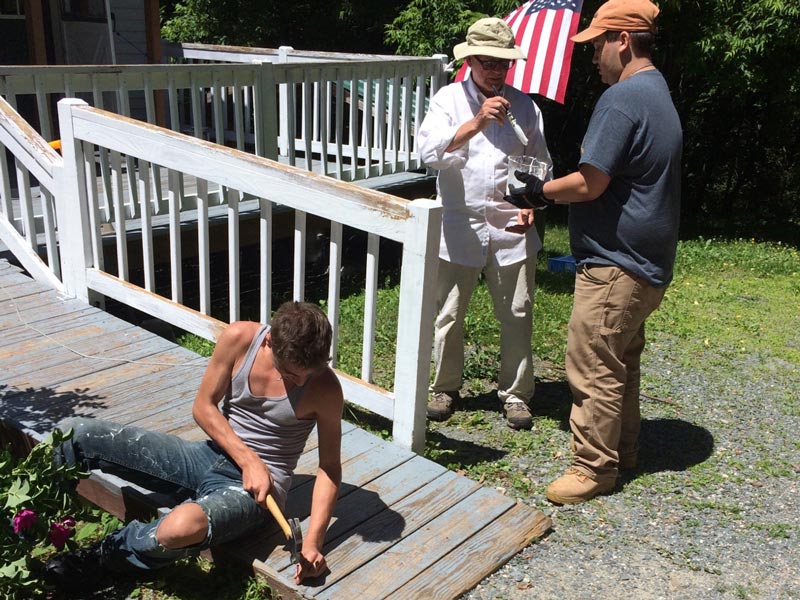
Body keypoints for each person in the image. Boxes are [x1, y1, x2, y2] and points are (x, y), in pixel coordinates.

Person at [506, 0, 682, 503]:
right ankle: (622, 450)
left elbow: (590, 182)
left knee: (592, 363)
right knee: (620, 358)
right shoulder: (657, 91)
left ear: (622, 40)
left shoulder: (623, 100)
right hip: (647, 262)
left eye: (598, 44)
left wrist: (537, 192)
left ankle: (592, 469)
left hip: (616, 263)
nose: (593, 57)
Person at [46, 301, 344, 589]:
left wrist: (313, 542)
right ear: (268, 341)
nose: (302, 379)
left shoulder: (326, 388)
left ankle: (103, 558)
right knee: (76, 433)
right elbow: (203, 406)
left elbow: (329, 468)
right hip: (210, 455)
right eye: (291, 372)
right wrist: (248, 460)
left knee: (180, 527)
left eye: (312, 371)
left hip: (257, 494)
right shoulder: (240, 338)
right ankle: (42, 518)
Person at [418, 17, 553, 430]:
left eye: (503, 63)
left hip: (511, 227)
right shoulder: (448, 100)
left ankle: (515, 394)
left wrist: (535, 203)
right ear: (470, 60)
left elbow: (542, 164)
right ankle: (444, 387)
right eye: (487, 61)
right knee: (448, 314)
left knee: (517, 312)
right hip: (459, 225)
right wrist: (476, 122)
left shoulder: (526, 106)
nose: (495, 70)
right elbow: (427, 153)